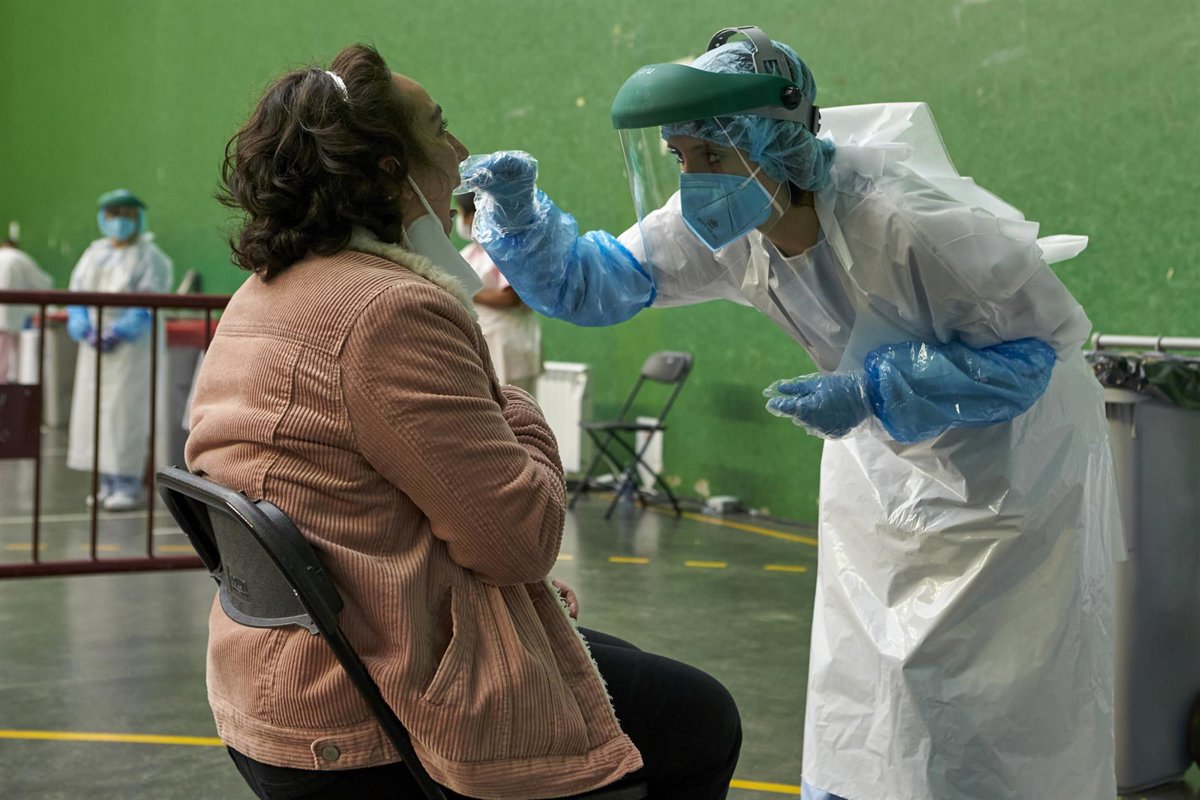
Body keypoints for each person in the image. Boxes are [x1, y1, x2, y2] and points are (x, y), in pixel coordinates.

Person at [461, 26, 1119, 800]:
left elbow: (1033, 356)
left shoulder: (908, 225)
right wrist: (521, 221)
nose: (693, 180)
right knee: (866, 685)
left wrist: (877, 390)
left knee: (979, 698)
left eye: (711, 155)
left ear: (772, 144)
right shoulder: (729, 225)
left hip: (1006, 481)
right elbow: (599, 282)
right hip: (879, 468)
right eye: (680, 157)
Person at [187, 44, 740, 800]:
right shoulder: (389, 310)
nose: (460, 151)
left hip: (283, 678)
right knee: (701, 718)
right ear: (390, 168)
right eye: (439, 127)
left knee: (616, 660)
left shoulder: (262, 293)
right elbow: (522, 542)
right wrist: (514, 404)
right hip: (364, 706)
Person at [65, 189, 173, 511]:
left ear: (138, 218)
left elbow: (149, 301)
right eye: (112, 215)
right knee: (93, 412)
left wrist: (122, 330)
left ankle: (128, 483)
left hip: (131, 349)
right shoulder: (93, 253)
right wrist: (81, 324)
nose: (119, 222)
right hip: (92, 344)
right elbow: (76, 293)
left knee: (125, 413)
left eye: (126, 215)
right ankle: (106, 482)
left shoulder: (150, 256)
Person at [456, 192, 543, 393]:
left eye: (460, 214)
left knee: (514, 401)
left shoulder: (505, 250)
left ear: (473, 216)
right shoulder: (469, 254)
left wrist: (469, 293)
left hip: (508, 342)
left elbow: (512, 298)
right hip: (483, 341)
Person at [0, 224, 52, 383]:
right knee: (10, 362)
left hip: (8, 317)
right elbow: (44, 283)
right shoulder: (19, 258)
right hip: (11, 318)